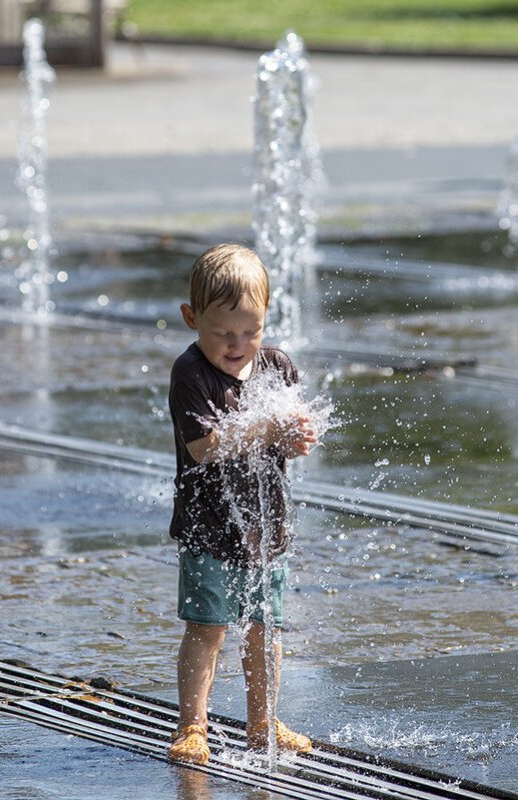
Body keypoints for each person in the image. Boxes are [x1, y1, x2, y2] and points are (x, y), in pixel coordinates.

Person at [167, 243, 316, 765]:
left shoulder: (277, 366)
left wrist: (296, 438)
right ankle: (193, 727)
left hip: (266, 527)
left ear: (266, 319)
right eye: (223, 333)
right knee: (208, 628)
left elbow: (286, 437)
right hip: (208, 527)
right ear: (192, 319)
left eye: (249, 332)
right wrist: (265, 428)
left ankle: (262, 721)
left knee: (265, 627)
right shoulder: (191, 374)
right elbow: (205, 446)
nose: (237, 345)